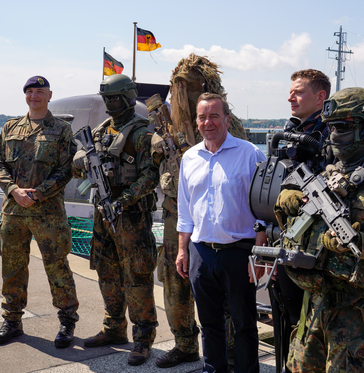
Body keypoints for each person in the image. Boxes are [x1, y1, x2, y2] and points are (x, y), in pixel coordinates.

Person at [275, 87, 364, 372]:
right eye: (330, 127)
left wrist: (358, 241)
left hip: (361, 324)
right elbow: (293, 230)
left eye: (342, 127)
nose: (333, 135)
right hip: (315, 311)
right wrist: (287, 204)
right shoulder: (327, 176)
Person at [151, 53, 247, 369]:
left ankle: (230, 351)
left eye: (192, 87)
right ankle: (185, 344)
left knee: (228, 299)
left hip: (225, 230)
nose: (186, 95)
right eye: (181, 88)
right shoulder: (164, 128)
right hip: (177, 218)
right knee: (175, 282)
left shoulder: (237, 132)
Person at [176, 93, 267, 373]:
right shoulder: (189, 158)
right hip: (201, 253)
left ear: (227, 119)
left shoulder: (250, 154)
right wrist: (182, 250)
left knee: (244, 324)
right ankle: (213, 369)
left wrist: (260, 255)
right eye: (202, 117)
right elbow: (185, 209)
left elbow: (265, 209)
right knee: (210, 323)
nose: (208, 122)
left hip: (239, 252)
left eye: (214, 116)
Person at [73, 74, 159, 366]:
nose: (110, 105)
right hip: (102, 214)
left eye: (115, 99)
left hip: (131, 216)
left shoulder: (142, 133)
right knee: (107, 272)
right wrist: (83, 162)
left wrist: (122, 201)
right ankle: (114, 328)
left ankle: (143, 338)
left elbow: (150, 177)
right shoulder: (98, 131)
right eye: (107, 99)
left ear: (128, 97)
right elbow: (78, 167)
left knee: (137, 277)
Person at [0, 75, 79, 348]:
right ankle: (12, 320)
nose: (34, 96)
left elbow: (67, 169)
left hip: (48, 212)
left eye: (39, 91)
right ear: (25, 96)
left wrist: (39, 193)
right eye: (30, 92)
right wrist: (14, 190)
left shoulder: (62, 130)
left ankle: (66, 321)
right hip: (14, 212)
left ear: (49, 95)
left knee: (57, 267)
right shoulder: (10, 127)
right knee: (12, 268)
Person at [269, 69, 332, 372]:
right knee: (290, 318)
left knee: (319, 328)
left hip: (319, 249)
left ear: (320, 96)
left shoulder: (334, 134)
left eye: (299, 92)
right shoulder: (291, 131)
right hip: (289, 241)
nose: (290, 97)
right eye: (291, 92)